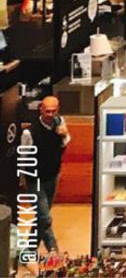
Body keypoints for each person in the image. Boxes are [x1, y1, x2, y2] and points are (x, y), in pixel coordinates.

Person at [21, 95, 70, 257]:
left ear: (58, 110)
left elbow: (65, 143)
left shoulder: (59, 123)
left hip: (52, 176)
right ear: (41, 109)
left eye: (53, 111)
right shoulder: (30, 132)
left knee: (41, 218)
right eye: (47, 111)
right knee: (45, 218)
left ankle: (28, 252)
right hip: (35, 178)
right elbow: (23, 156)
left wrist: (64, 134)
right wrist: (22, 178)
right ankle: (54, 253)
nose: (50, 114)